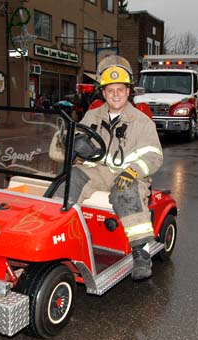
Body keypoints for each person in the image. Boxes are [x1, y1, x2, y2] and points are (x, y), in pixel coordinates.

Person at [59, 55, 163, 280]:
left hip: (130, 175)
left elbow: (154, 156)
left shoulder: (142, 121)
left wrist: (133, 171)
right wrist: (72, 142)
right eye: (110, 90)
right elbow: (77, 138)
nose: (115, 94)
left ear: (128, 92)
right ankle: (57, 231)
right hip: (97, 171)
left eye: (120, 89)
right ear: (103, 93)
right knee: (71, 178)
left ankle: (141, 252)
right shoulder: (91, 115)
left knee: (125, 190)